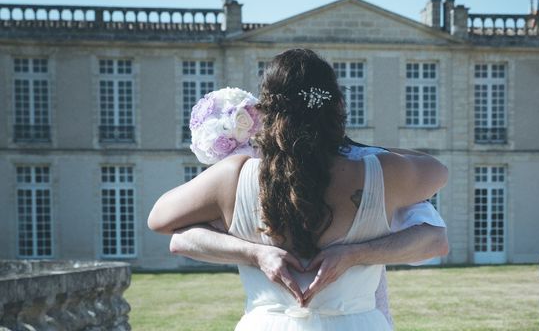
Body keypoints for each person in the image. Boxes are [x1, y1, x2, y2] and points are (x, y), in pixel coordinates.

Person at [148, 48, 448, 330]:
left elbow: (159, 219)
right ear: (338, 106)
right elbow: (437, 170)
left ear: (265, 111)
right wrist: (359, 149)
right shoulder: (380, 172)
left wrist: (255, 253)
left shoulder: (233, 175)